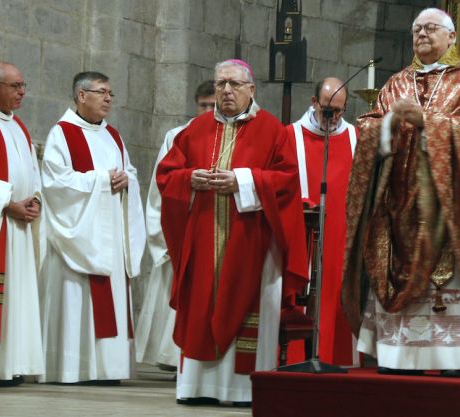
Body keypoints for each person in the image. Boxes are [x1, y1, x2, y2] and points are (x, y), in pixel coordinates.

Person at [341, 8, 460, 377]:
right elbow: (367, 125)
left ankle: (448, 360)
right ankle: (399, 358)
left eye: (430, 28)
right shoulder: (397, 82)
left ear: (451, 37)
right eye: (416, 30)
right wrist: (385, 127)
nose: (421, 35)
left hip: (448, 202)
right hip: (397, 196)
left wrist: (428, 122)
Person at [156, 59, 308, 405]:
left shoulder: (273, 131)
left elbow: (286, 181)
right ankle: (197, 388)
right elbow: (167, 174)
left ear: (251, 90)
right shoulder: (194, 130)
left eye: (234, 84)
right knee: (201, 305)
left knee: (248, 308)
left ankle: (242, 390)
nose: (226, 90)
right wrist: (189, 179)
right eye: (220, 83)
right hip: (204, 240)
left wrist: (242, 180)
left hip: (253, 242)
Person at [39, 71, 146, 384]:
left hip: (111, 234)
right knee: (77, 299)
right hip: (79, 238)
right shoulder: (63, 133)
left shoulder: (113, 135)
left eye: (110, 93)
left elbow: (130, 172)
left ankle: (108, 369)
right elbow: (56, 183)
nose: (108, 98)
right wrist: (101, 181)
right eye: (101, 92)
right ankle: (74, 368)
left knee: (110, 299)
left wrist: (129, 181)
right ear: (81, 96)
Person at [135, 80, 215, 372]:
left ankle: (192, 354)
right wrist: (160, 233)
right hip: (179, 226)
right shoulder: (177, 135)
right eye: (203, 105)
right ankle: (169, 357)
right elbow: (161, 183)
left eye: (213, 105)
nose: (208, 110)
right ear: (196, 105)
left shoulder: (229, 136)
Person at [283, 77, 357, 366]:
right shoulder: (291, 135)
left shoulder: (354, 137)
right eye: (328, 111)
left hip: (342, 235)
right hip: (303, 235)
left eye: (340, 111)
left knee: (337, 294)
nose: (334, 118)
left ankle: (335, 356)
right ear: (314, 103)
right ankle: (300, 355)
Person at [0, 61, 45, 387]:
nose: (22, 92)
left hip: (18, 225)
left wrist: (34, 198)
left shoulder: (18, 125)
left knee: (15, 297)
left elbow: (32, 170)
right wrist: (9, 204)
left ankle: (7, 366)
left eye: (23, 85)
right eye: (15, 86)